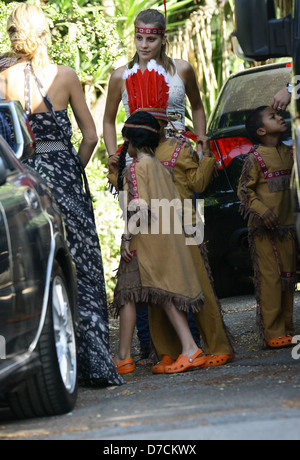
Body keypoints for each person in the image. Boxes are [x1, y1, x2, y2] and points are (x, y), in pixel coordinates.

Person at [0, 2, 124, 386]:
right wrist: (72, 168)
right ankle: (96, 367)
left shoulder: (2, 77)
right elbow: (90, 135)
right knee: (84, 271)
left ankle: (49, 363)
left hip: (23, 177)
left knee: (39, 269)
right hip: (66, 178)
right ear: (46, 32)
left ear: (14, 34)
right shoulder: (66, 75)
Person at [112, 110, 206, 375]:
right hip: (167, 238)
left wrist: (126, 238)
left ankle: (126, 357)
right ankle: (186, 349)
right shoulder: (159, 166)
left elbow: (140, 208)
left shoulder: (136, 167)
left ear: (130, 141)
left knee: (128, 293)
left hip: (145, 242)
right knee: (158, 294)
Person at [103, 8, 207, 173]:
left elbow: (197, 106)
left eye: (151, 39)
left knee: (181, 199)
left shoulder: (181, 69)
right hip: (136, 155)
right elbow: (108, 120)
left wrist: (201, 142)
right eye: (139, 38)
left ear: (163, 39)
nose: (143, 45)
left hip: (178, 155)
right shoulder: (120, 76)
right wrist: (111, 154)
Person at [238, 106, 296, 348]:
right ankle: (273, 333)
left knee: (288, 278)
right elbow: (245, 191)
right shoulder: (255, 158)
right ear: (261, 131)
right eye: (273, 117)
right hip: (265, 232)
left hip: (288, 229)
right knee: (270, 280)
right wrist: (262, 212)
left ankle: (288, 328)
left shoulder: (291, 152)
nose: (280, 117)